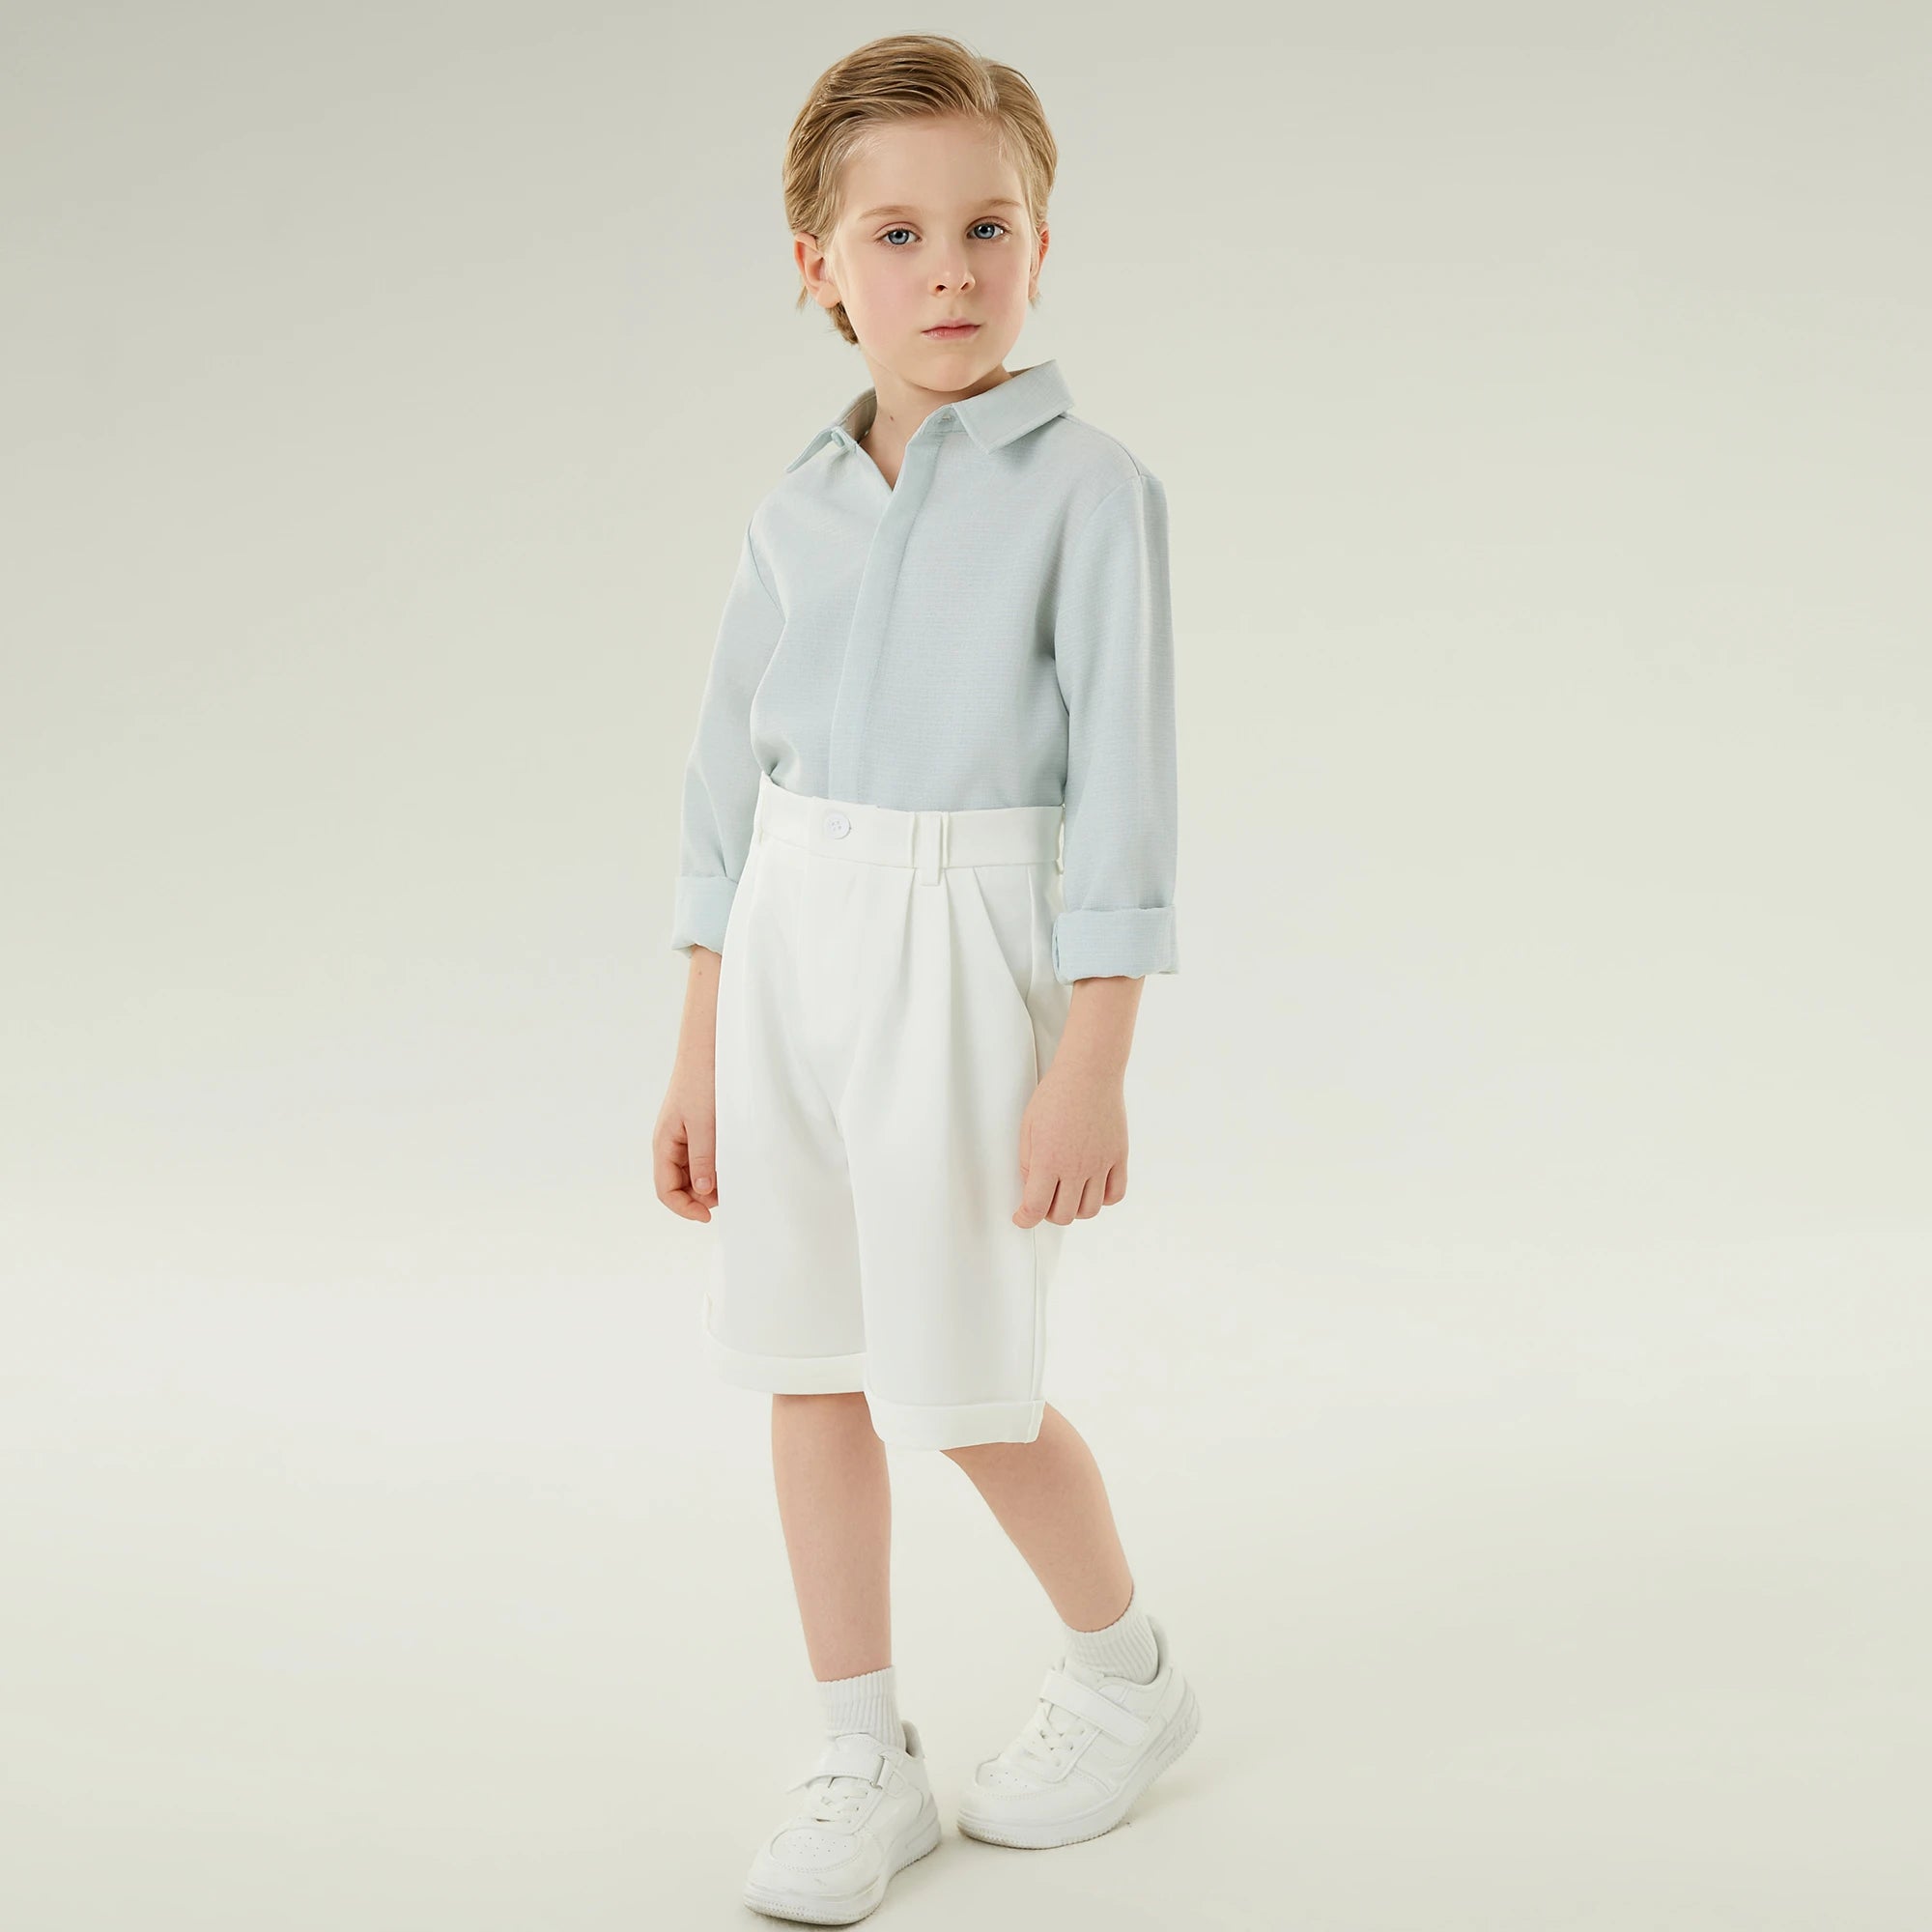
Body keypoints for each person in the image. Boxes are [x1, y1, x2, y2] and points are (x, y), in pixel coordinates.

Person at [653, 33, 1198, 1925]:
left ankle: (1124, 1674)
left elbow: (1125, 799)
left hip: (965, 940)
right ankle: (856, 1749)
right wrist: (699, 1043)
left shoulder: (1090, 494)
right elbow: (723, 793)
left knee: (966, 1383)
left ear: (1041, 246)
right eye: (896, 234)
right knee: (806, 1363)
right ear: (820, 266)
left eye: (987, 227)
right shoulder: (792, 507)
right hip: (791, 936)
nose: (948, 271)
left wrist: (1093, 1058)